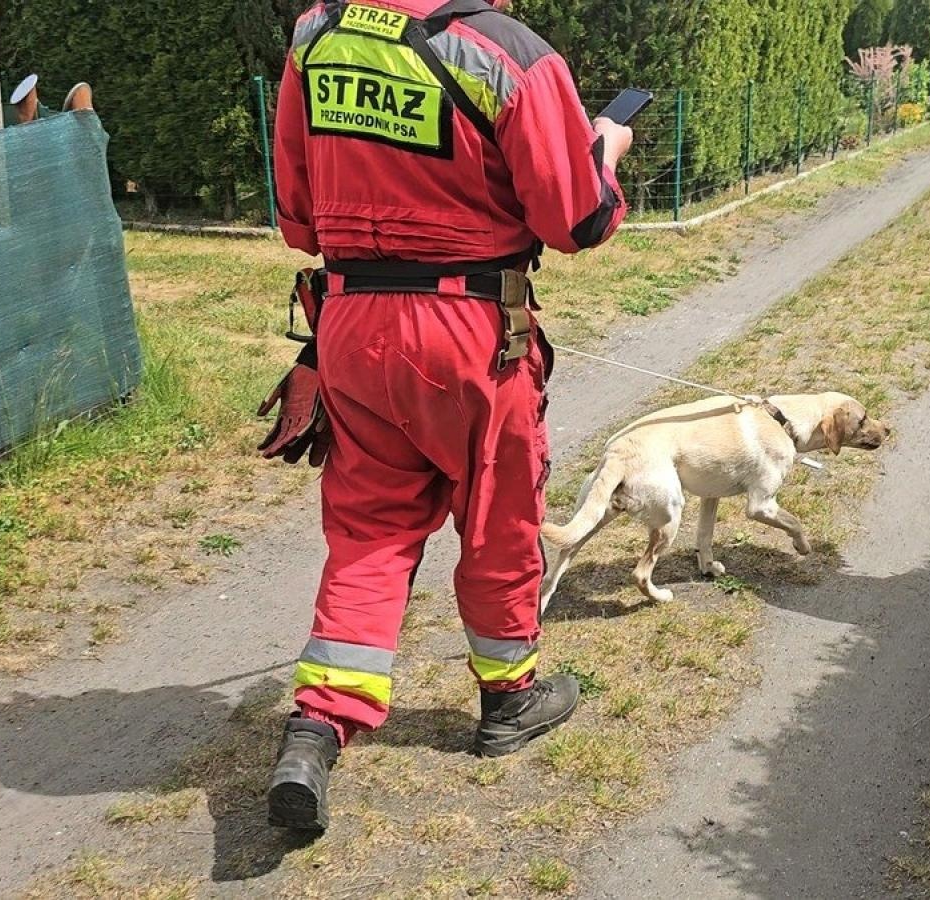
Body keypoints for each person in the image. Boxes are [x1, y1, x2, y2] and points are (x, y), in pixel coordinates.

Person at [261, 0, 633, 832]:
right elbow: (577, 220)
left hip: (350, 328)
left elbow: (297, 213)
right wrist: (606, 152)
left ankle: (317, 726)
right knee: (499, 515)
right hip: (475, 334)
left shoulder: (316, 34)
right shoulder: (512, 55)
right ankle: (509, 699)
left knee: (369, 533)